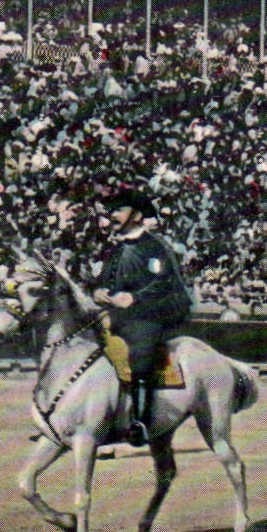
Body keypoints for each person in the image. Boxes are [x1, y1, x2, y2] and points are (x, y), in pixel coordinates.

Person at [92, 187, 193, 447]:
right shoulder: (116, 249)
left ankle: (140, 423)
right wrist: (100, 291)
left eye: (119, 210)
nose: (113, 215)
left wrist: (134, 298)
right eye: (112, 211)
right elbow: (104, 280)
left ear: (137, 216)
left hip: (150, 313)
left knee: (140, 350)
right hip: (117, 313)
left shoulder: (154, 246)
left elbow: (164, 281)